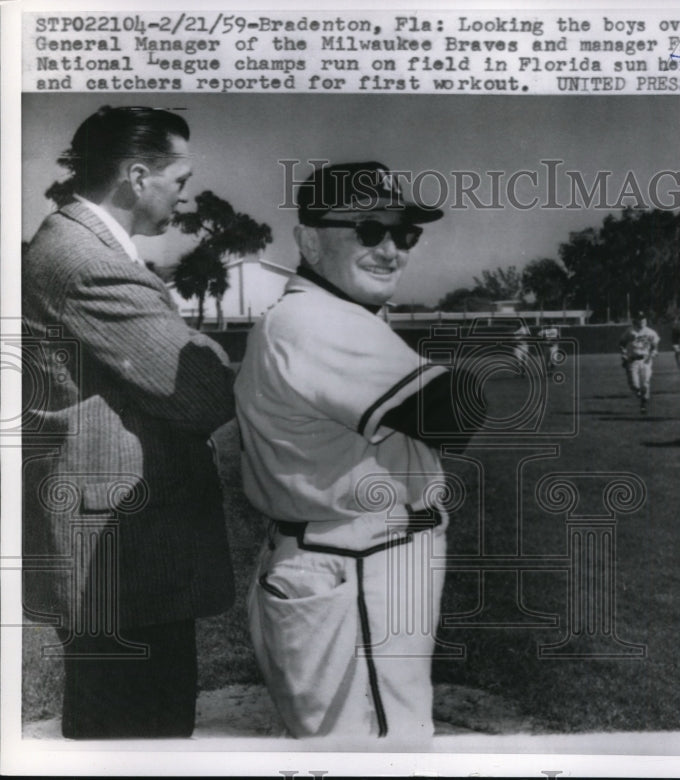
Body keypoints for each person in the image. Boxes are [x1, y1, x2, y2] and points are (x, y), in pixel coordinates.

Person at [236, 162, 487, 741]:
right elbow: (453, 412)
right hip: (351, 564)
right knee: (378, 746)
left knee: (373, 739)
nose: (391, 249)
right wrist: (486, 357)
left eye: (404, 233)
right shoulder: (313, 319)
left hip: (351, 555)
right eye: (369, 230)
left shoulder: (333, 315)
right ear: (309, 241)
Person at [21, 106, 236, 738]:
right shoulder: (88, 261)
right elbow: (202, 392)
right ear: (137, 177)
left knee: (124, 729)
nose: (185, 194)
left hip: (123, 547)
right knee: (138, 733)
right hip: (126, 557)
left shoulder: (76, 245)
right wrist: (208, 351)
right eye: (180, 179)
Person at [619, 311, 660, 414]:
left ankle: (644, 404)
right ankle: (642, 396)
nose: (642, 320)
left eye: (643, 318)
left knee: (645, 383)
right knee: (634, 385)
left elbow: (655, 346)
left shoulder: (650, 332)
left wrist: (653, 353)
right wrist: (623, 354)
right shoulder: (630, 331)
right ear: (636, 320)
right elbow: (622, 343)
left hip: (646, 360)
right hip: (632, 360)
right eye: (639, 318)